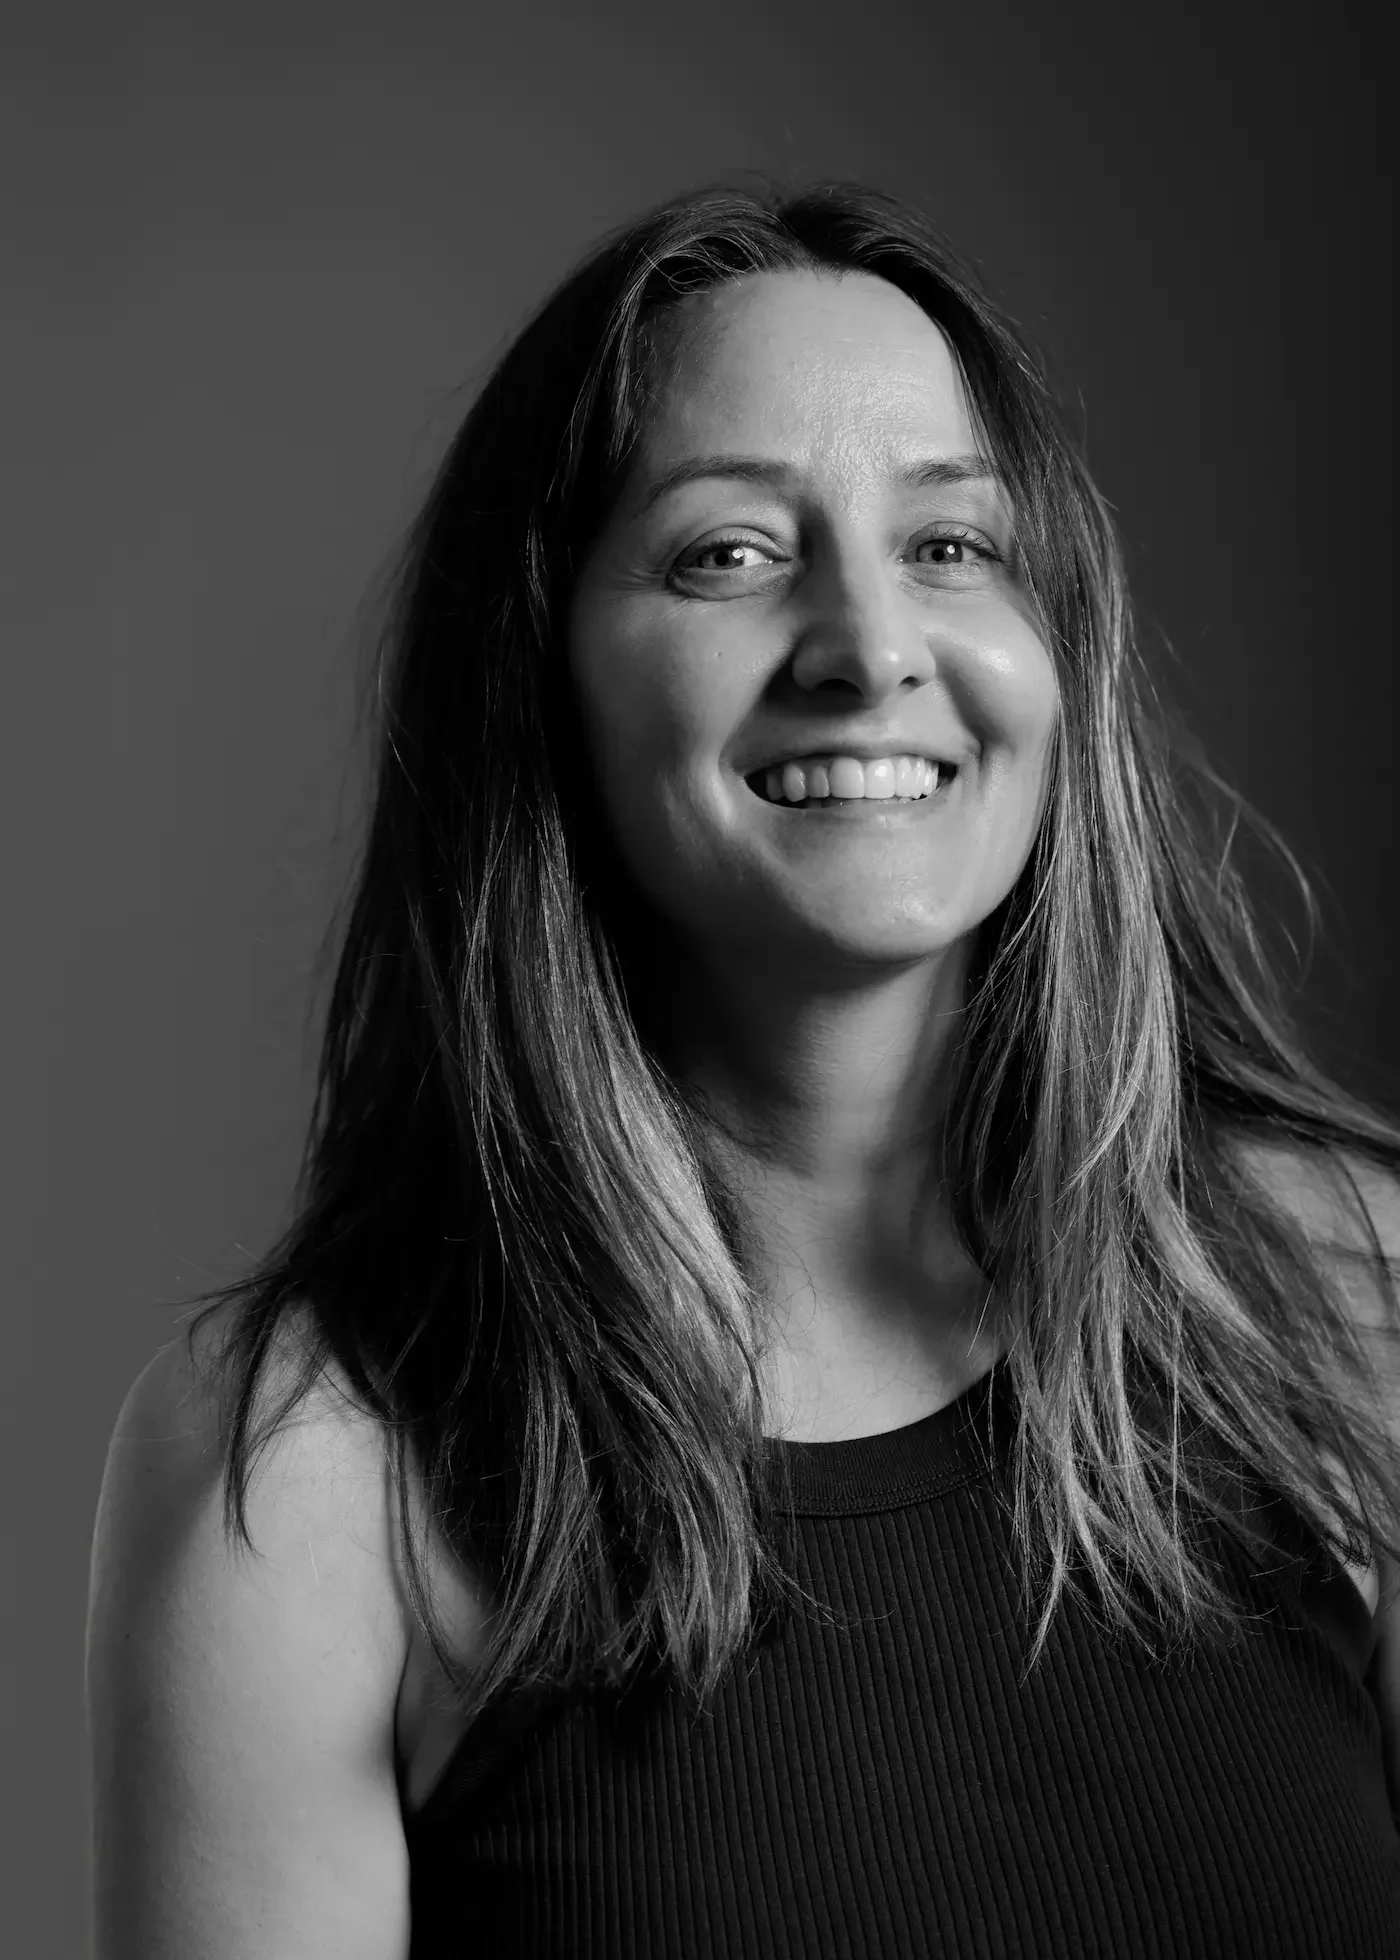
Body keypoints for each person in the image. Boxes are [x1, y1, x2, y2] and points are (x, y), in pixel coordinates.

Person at [86, 179, 1400, 1958]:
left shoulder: (1348, 1303)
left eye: (952, 544)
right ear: (541, 674)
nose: (871, 647)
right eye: (730, 552)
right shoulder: (316, 1475)